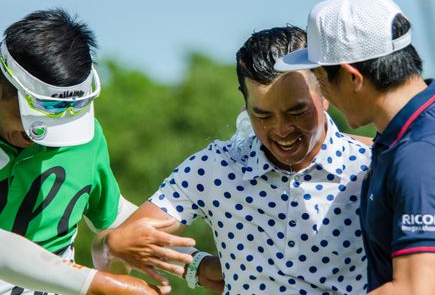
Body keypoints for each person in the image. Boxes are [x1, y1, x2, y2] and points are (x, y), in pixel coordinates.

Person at [97, 26, 372, 294]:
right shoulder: (215, 168)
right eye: (263, 116)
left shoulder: (370, 165)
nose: (281, 130)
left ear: (325, 93)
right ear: (245, 106)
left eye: (297, 112)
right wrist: (194, 265)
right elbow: (110, 247)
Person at [275, 0, 435, 294]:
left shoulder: (421, 157)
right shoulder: (413, 126)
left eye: (319, 78)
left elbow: (414, 291)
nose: (320, 93)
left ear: (352, 77)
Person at [0, 9, 195, 295]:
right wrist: (93, 284)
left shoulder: (85, 137)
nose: (38, 136)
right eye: (34, 119)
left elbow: (115, 216)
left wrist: (195, 265)